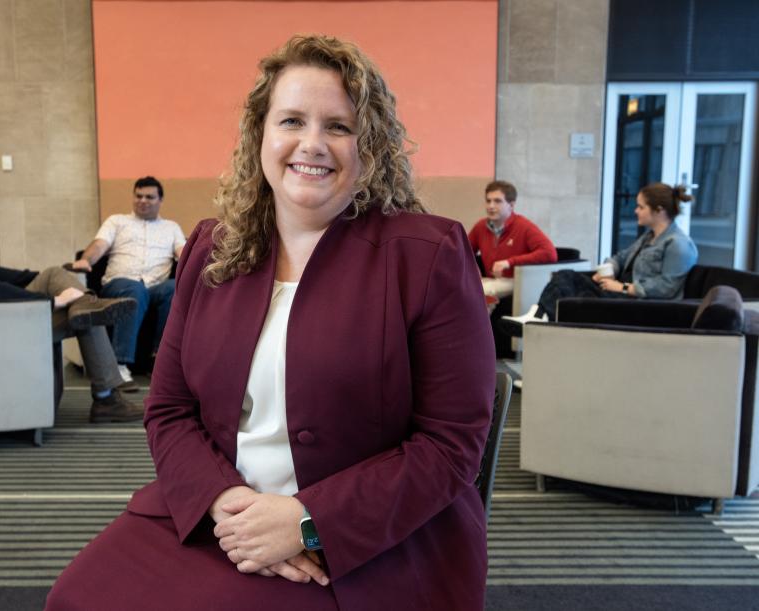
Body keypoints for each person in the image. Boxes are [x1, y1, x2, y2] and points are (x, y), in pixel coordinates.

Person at [46, 35, 495, 610]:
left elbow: (451, 445)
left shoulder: (427, 254)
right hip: (218, 514)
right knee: (76, 598)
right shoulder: (213, 248)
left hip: (365, 543)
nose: (312, 144)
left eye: (338, 126)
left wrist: (307, 522)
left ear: (371, 144)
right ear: (261, 133)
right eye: (291, 120)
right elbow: (169, 409)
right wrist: (224, 504)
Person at [0, 185, 144, 424]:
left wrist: (34, 277)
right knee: (90, 313)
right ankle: (106, 399)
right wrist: (53, 301)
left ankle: (88, 308)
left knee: (63, 286)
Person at [502, 182, 698, 331]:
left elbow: (667, 287)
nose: (635, 210)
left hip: (640, 304)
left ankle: (541, 322)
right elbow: (620, 258)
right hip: (622, 293)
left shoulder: (679, 244)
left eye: (641, 207)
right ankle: (539, 316)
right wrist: (608, 270)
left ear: (659, 210)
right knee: (565, 276)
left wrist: (623, 287)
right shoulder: (649, 237)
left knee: (577, 296)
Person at [73, 176, 185, 387]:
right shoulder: (117, 221)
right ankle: (120, 364)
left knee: (174, 289)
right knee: (135, 290)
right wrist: (85, 260)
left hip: (155, 287)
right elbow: (99, 245)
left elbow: (183, 253)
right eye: (138, 196)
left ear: (160, 200)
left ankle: (161, 362)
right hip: (119, 284)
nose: (143, 200)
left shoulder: (171, 228)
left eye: (149, 197)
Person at [468, 179, 557, 299]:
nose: (491, 206)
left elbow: (549, 253)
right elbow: (464, 252)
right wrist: (473, 269)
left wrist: (509, 262)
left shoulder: (524, 226)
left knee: (480, 291)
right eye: (488, 201)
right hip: (492, 279)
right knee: (460, 288)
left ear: (511, 205)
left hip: (516, 281)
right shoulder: (480, 226)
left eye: (497, 201)